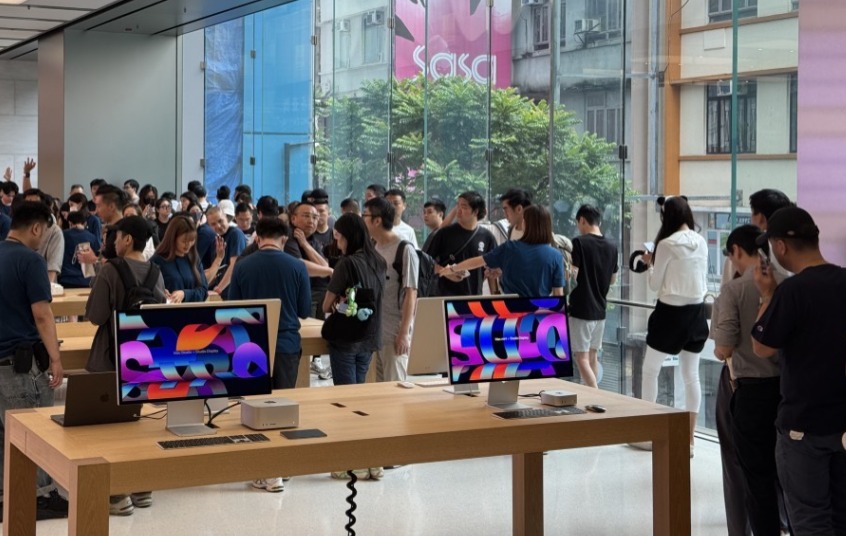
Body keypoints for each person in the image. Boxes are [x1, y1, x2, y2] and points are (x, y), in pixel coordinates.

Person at [751, 206, 846, 535]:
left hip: (803, 425)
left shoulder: (792, 290)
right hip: (842, 422)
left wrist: (767, 294)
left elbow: (761, 346)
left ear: (780, 246)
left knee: (809, 522)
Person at [85, 215, 165, 516]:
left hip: (109, 358)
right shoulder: (156, 272)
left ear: (128, 239)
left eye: (117, 237)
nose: (114, 242)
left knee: (108, 428)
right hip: (143, 359)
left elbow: (95, 315)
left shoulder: (110, 270)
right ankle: (141, 487)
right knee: (135, 424)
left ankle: (117, 495)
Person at [710, 224, 783, 536]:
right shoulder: (787, 283)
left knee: (756, 478)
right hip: (787, 391)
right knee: (787, 474)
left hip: (751, 394)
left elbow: (723, 349)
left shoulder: (734, 290)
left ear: (736, 251)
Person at [0, 201, 68, 521]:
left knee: (4, 434)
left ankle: (6, 493)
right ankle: (40, 495)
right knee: (35, 431)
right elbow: (42, 314)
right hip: (20, 364)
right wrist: (55, 358)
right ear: (37, 227)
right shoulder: (31, 261)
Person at [634, 196, 708, 454]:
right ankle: (689, 440)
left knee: (650, 371)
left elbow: (655, 285)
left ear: (667, 217)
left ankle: (649, 434)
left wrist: (649, 264)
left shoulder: (666, 244)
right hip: (697, 313)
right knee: (691, 376)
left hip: (670, 314)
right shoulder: (701, 241)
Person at [228, 217, 311, 390]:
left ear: (258, 238)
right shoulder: (298, 266)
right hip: (286, 343)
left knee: (253, 399)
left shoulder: (241, 266)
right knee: (284, 400)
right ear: (284, 239)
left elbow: (232, 308)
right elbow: (304, 310)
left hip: (250, 342)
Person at [438, 204, 564, 297]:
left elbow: (478, 261)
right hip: (541, 315)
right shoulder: (556, 256)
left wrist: (452, 269)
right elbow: (558, 294)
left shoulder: (510, 247)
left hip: (511, 312)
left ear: (526, 224)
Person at [322, 213, 386, 385]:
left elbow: (326, 306)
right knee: (358, 389)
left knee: (345, 392)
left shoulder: (346, 263)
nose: (337, 243)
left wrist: (339, 303)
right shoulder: (380, 261)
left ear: (347, 236)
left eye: (338, 237)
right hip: (370, 335)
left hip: (346, 338)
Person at [363, 197, 419, 382]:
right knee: (377, 389)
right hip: (375, 332)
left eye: (365, 215)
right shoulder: (374, 247)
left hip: (394, 333)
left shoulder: (405, 249)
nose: (363, 219)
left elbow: (411, 293)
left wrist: (404, 333)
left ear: (377, 220)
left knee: (395, 387)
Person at [568, 204, 618, 389]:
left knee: (581, 359)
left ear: (582, 220)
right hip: (600, 310)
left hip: (581, 309)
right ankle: (591, 396)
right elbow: (613, 279)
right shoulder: (612, 246)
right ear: (599, 222)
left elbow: (573, 276)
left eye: (578, 223)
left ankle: (595, 395)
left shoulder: (579, 243)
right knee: (592, 356)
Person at [426, 191, 498, 297]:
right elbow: (426, 262)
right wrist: (446, 272)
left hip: (474, 297)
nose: (458, 211)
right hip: (445, 297)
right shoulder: (445, 233)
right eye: (458, 206)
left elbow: (492, 270)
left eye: (464, 207)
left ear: (475, 211)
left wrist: (495, 296)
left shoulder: (487, 237)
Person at [150, 215, 209, 303]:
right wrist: (161, 293)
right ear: (173, 239)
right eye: (184, 241)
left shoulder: (194, 258)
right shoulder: (157, 261)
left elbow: (204, 291)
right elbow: (149, 290)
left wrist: (184, 294)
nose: (188, 245)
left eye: (192, 240)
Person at [21, 189, 64, 283]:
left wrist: (46, 289)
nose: (31, 208)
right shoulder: (20, 228)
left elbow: (53, 267)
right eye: (27, 203)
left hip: (42, 284)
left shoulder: (54, 231)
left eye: (35, 204)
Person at [206, 205, 246, 296]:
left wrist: (218, 289)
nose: (218, 226)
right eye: (213, 224)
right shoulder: (216, 239)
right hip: (221, 293)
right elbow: (217, 270)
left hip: (233, 293)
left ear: (226, 217)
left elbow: (234, 265)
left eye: (220, 221)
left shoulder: (235, 234)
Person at [59, 210, 100, 288]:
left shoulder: (63, 235)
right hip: (86, 280)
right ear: (85, 223)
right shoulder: (92, 237)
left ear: (69, 222)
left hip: (66, 279)